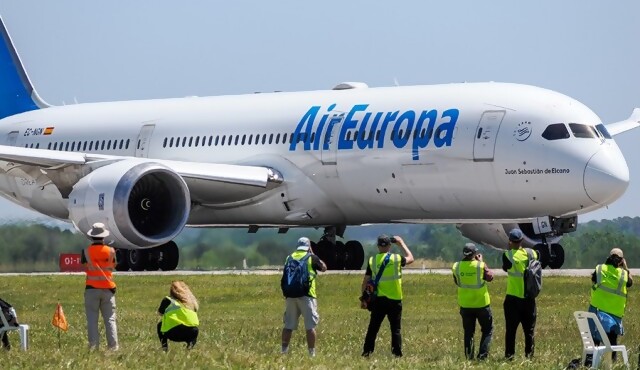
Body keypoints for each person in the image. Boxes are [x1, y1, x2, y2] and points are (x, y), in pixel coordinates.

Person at [361, 234, 414, 358]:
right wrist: (401, 243)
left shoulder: (372, 260)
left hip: (379, 299)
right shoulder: (396, 258)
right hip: (395, 299)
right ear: (390, 246)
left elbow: (365, 280)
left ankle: (367, 352)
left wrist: (364, 299)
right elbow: (411, 258)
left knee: (373, 328)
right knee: (395, 329)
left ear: (378, 246)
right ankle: (397, 354)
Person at [281, 237, 327, 357]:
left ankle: (284, 351)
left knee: (288, 326)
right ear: (308, 246)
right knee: (310, 327)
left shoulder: (289, 257)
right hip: (307, 295)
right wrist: (313, 253)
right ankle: (311, 353)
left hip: (290, 295)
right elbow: (324, 268)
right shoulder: (311, 257)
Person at [586, 247, 632, 364]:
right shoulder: (623, 274)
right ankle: (611, 363)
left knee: (594, 338)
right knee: (612, 341)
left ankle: (590, 362)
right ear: (621, 261)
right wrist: (625, 267)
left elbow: (593, 279)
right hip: (614, 319)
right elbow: (630, 283)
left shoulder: (600, 268)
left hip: (596, 313)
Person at [452, 243, 494, 360]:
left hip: (465, 304)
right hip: (481, 304)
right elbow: (490, 277)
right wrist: (481, 261)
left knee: (469, 332)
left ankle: (469, 357)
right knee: (487, 330)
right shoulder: (480, 265)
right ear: (475, 253)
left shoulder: (456, 266)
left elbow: (457, 281)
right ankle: (482, 356)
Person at [81, 222, 118, 350]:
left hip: (91, 289)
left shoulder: (86, 252)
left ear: (92, 236)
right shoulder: (111, 251)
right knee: (110, 319)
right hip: (108, 288)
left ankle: (93, 347)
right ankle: (113, 347)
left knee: (92, 320)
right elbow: (113, 266)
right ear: (104, 237)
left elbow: (84, 265)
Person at [501, 228, 537, 360]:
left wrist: (510, 247)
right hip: (528, 297)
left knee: (511, 330)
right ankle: (529, 356)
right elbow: (538, 257)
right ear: (522, 240)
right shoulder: (531, 253)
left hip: (512, 298)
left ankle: (509, 356)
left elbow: (505, 267)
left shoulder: (507, 255)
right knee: (529, 330)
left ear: (510, 241)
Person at [157, 281, 200, 351]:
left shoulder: (168, 300)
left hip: (173, 332)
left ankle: (164, 348)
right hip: (191, 332)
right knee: (195, 330)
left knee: (160, 325)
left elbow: (160, 313)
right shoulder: (192, 303)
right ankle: (189, 348)